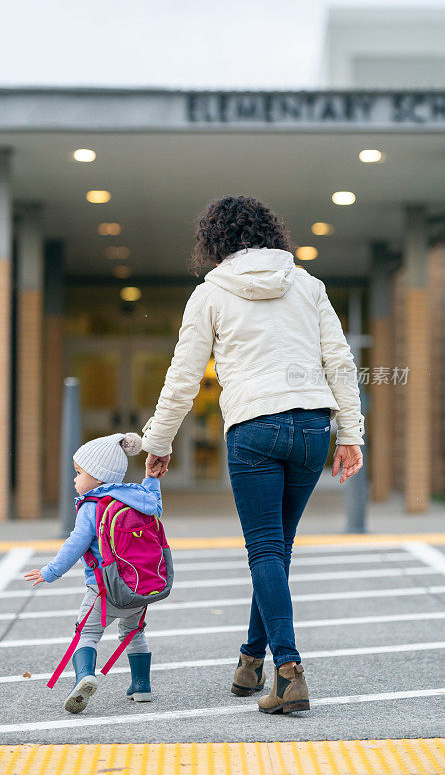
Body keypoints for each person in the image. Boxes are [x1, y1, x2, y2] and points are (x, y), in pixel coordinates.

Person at [140, 195, 364, 715]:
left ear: (213, 242)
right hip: (312, 427)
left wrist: (158, 442)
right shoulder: (307, 286)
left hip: (254, 429)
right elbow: (340, 360)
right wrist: (350, 433)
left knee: (265, 550)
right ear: (271, 234)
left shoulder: (210, 294)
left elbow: (184, 378)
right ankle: (250, 662)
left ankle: (288, 672)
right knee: (277, 550)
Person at [24, 432, 163, 713]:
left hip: (104, 588)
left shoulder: (92, 506)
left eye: (79, 473)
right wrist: (152, 479)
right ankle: (141, 687)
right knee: (133, 633)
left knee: (85, 634)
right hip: (139, 585)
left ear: (99, 477)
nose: (74, 480)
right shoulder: (138, 497)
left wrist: (49, 572)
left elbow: (75, 544)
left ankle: (85, 676)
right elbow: (156, 505)